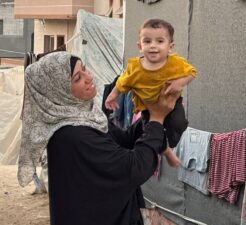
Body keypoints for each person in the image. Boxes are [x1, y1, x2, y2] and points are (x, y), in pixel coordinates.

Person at [17, 51, 180, 225]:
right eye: (78, 78)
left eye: (85, 69)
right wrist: (157, 119)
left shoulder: (84, 118)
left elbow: (122, 140)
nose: (89, 77)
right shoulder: (73, 136)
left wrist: (148, 117)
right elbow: (134, 168)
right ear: (59, 92)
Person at [105, 18, 197, 167]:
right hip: (147, 109)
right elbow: (123, 82)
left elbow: (191, 72)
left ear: (170, 46)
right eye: (147, 41)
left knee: (178, 124)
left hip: (172, 103)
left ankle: (170, 144)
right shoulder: (135, 68)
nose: (153, 46)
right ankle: (166, 151)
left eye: (160, 41)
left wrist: (179, 83)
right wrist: (113, 95)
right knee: (152, 134)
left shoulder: (175, 63)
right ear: (140, 46)